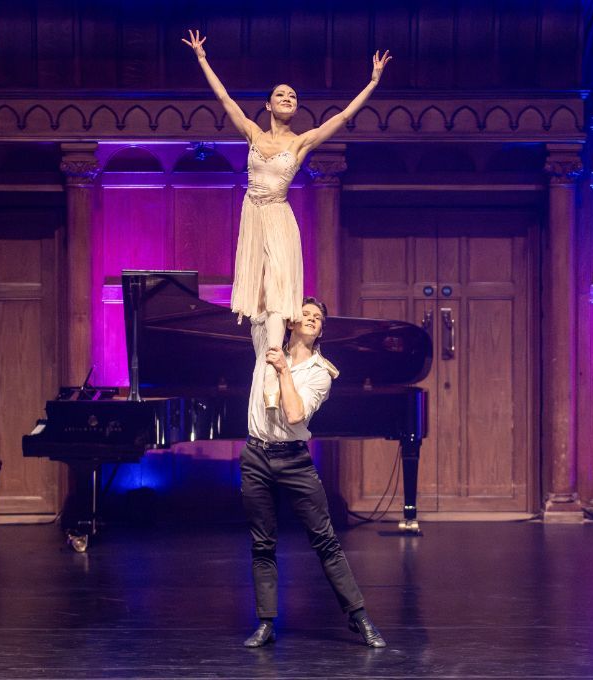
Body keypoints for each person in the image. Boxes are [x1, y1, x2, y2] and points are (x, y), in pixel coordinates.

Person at [182, 29, 391, 410]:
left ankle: (274, 379)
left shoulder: (301, 141)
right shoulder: (252, 133)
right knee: (259, 303)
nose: (288, 98)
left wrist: (373, 82)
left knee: (280, 295)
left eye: (293, 96)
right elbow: (224, 98)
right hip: (252, 215)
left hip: (278, 217)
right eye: (281, 94)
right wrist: (201, 59)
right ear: (268, 105)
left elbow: (343, 116)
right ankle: (264, 371)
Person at [237, 297, 387, 648]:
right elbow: (264, 296)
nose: (311, 319)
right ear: (290, 322)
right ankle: (266, 623)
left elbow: (294, 415)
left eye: (318, 317)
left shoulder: (321, 372)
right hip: (256, 456)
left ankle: (359, 617)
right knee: (262, 543)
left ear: (321, 330)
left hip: (294, 460)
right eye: (305, 314)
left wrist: (283, 371)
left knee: (325, 541)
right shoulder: (267, 343)